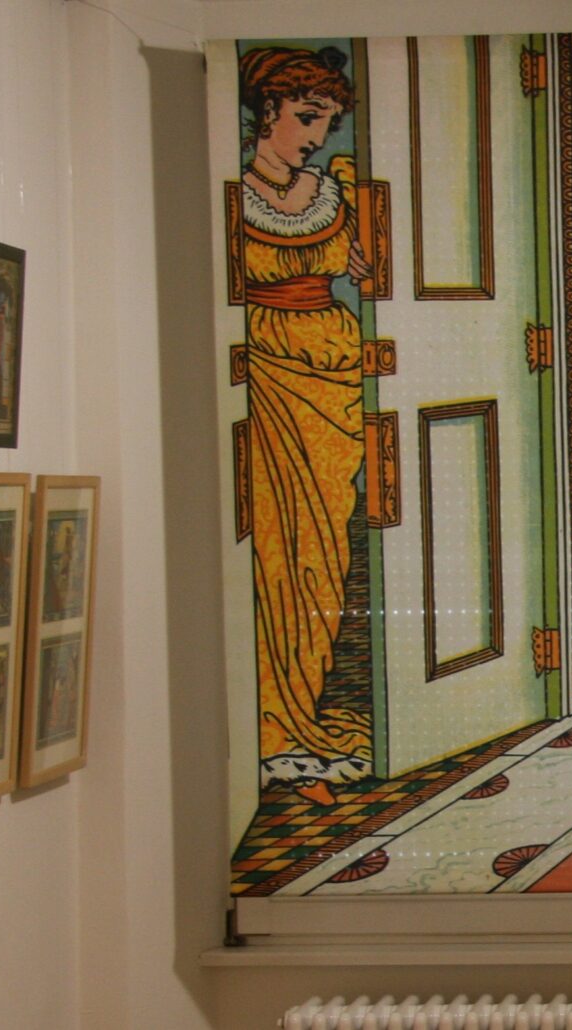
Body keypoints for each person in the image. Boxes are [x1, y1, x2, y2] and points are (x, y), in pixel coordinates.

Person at [235, 45, 375, 804]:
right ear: (269, 111)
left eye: (326, 121)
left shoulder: (339, 191)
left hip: (333, 373)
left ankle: (305, 706)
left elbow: (374, 273)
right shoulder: (230, 196)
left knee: (323, 550)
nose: (317, 137)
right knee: (271, 550)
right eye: (306, 117)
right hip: (262, 374)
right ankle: (271, 723)